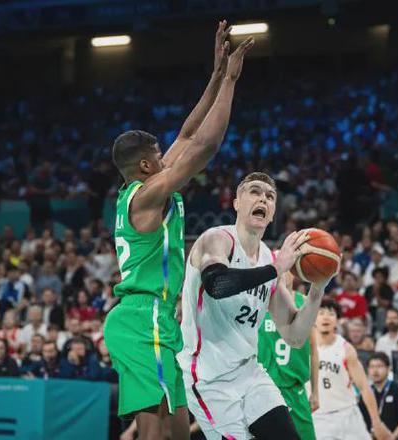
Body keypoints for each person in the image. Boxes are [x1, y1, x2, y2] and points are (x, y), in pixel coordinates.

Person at [104, 22, 253, 439]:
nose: (166, 157)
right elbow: (204, 146)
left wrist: (216, 75)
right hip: (142, 320)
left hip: (156, 320)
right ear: (146, 166)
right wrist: (232, 84)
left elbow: (188, 133)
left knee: (179, 431)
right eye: (158, 154)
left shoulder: (144, 187)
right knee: (155, 433)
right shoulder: (148, 196)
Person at [177, 172, 335, 440]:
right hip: (208, 378)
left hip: (249, 373)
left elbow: (295, 336)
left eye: (270, 196)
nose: (263, 198)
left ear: (272, 213)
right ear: (236, 203)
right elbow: (217, 284)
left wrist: (318, 288)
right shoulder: (216, 239)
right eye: (254, 191)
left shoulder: (268, 258)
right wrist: (276, 269)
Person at [314, 300, 391, 440]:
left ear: (338, 320)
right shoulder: (303, 347)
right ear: (313, 318)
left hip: (348, 414)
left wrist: (376, 422)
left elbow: (364, 387)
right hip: (319, 417)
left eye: (331, 314)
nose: (326, 317)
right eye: (321, 313)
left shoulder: (346, 349)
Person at [257, 272, 320, 440]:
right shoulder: (260, 302)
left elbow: (313, 350)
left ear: (294, 273)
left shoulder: (304, 302)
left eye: (287, 270)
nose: (283, 274)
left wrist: (315, 391)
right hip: (265, 388)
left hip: (294, 388)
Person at [363, 352, 398, 439]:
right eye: (372, 367)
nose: (375, 371)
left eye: (379, 366)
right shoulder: (366, 393)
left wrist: (392, 438)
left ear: (388, 369)